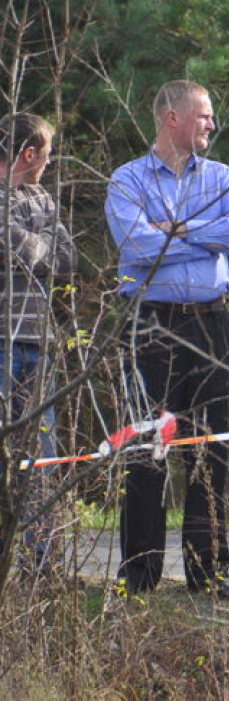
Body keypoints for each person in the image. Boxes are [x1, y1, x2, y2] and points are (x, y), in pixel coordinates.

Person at [105, 80, 229, 599]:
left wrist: (179, 230)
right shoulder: (127, 180)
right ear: (172, 117)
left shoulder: (221, 176)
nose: (211, 125)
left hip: (210, 323)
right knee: (147, 448)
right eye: (204, 116)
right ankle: (140, 576)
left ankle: (207, 574)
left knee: (208, 448)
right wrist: (199, 237)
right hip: (149, 324)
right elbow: (134, 245)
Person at [0, 113, 76, 576]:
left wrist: (37, 244)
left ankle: (39, 565)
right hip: (2, 341)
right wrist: (40, 241)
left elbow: (67, 258)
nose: (48, 165)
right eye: (46, 157)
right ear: (29, 155)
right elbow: (25, 250)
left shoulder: (41, 195)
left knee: (40, 460)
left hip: (39, 343)